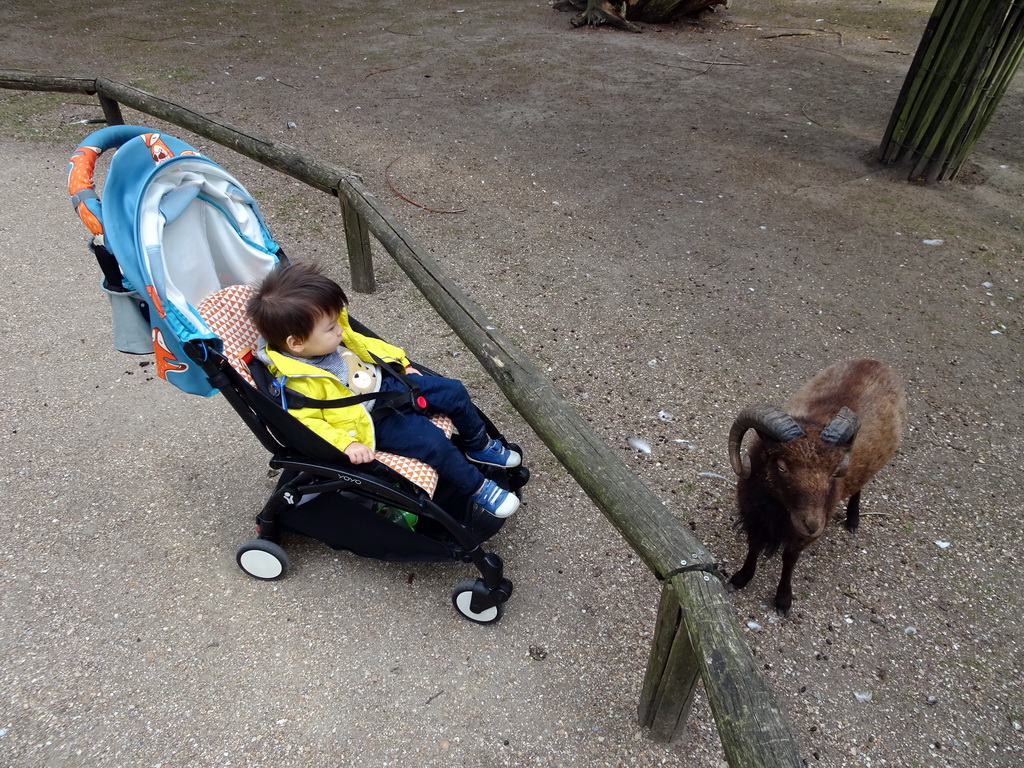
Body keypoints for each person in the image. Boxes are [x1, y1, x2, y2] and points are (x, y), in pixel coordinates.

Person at [246, 262, 521, 518]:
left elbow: (370, 347)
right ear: (296, 344)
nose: (341, 330)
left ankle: (478, 444)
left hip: (389, 385)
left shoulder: (327, 339)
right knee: (432, 441)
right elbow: (308, 424)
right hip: (371, 420)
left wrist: (401, 364)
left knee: (453, 390)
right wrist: (347, 444)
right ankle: (477, 488)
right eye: (331, 328)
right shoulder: (296, 382)